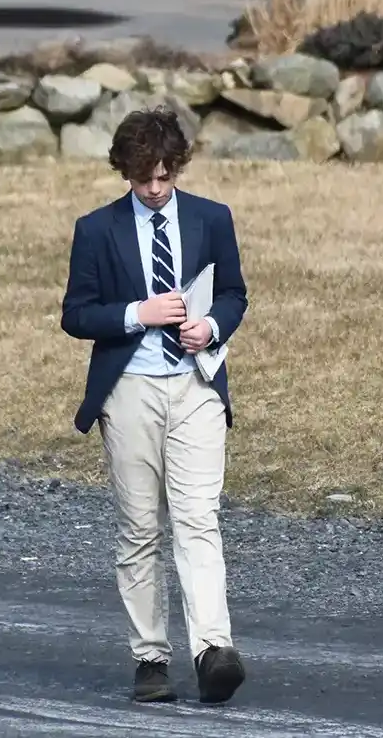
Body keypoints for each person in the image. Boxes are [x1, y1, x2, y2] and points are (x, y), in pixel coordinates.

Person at [60, 107, 248, 705]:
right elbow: (76, 314)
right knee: (140, 527)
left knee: (198, 519)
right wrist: (135, 314)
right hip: (130, 389)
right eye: (145, 180)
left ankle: (213, 649)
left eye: (165, 177)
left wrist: (212, 326)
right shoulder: (96, 229)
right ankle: (150, 657)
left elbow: (236, 293)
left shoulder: (211, 218)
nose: (156, 189)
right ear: (126, 173)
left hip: (196, 386)